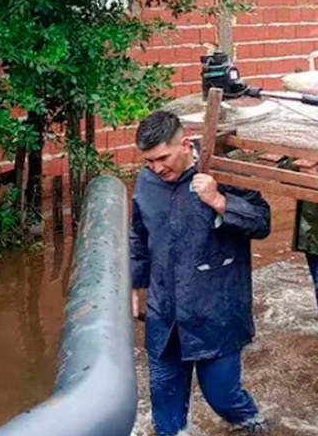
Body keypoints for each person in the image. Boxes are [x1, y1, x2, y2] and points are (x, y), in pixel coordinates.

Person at [130, 110, 272, 436]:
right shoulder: (147, 181)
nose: (156, 167)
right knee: (166, 413)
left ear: (185, 143)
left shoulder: (223, 170)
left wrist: (220, 201)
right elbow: (138, 234)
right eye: (149, 161)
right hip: (165, 314)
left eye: (162, 158)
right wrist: (134, 287)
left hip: (216, 310)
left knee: (223, 398)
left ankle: (257, 426)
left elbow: (262, 223)